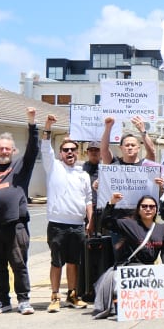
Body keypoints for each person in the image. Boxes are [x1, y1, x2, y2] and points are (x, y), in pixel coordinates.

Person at [0, 107, 39, 316]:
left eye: (8, 148)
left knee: (19, 264)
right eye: (1, 148)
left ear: (13, 151)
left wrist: (32, 123)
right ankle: (3, 301)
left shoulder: (20, 168)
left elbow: (33, 148)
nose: (4, 151)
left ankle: (24, 300)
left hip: (16, 224)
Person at [41, 115, 94, 313]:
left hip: (77, 225)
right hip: (57, 224)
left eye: (72, 150)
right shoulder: (53, 167)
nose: (69, 153)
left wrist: (90, 220)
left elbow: (88, 199)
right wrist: (48, 126)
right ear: (61, 152)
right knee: (57, 262)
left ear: (77, 152)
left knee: (74, 262)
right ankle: (55, 296)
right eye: (65, 150)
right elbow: (45, 145)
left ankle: (72, 295)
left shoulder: (83, 174)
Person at [92, 193, 164, 319]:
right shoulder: (128, 224)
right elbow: (106, 223)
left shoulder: (162, 229)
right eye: (144, 206)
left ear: (156, 209)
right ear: (138, 209)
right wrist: (111, 203)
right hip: (130, 269)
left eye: (152, 207)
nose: (148, 209)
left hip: (150, 270)